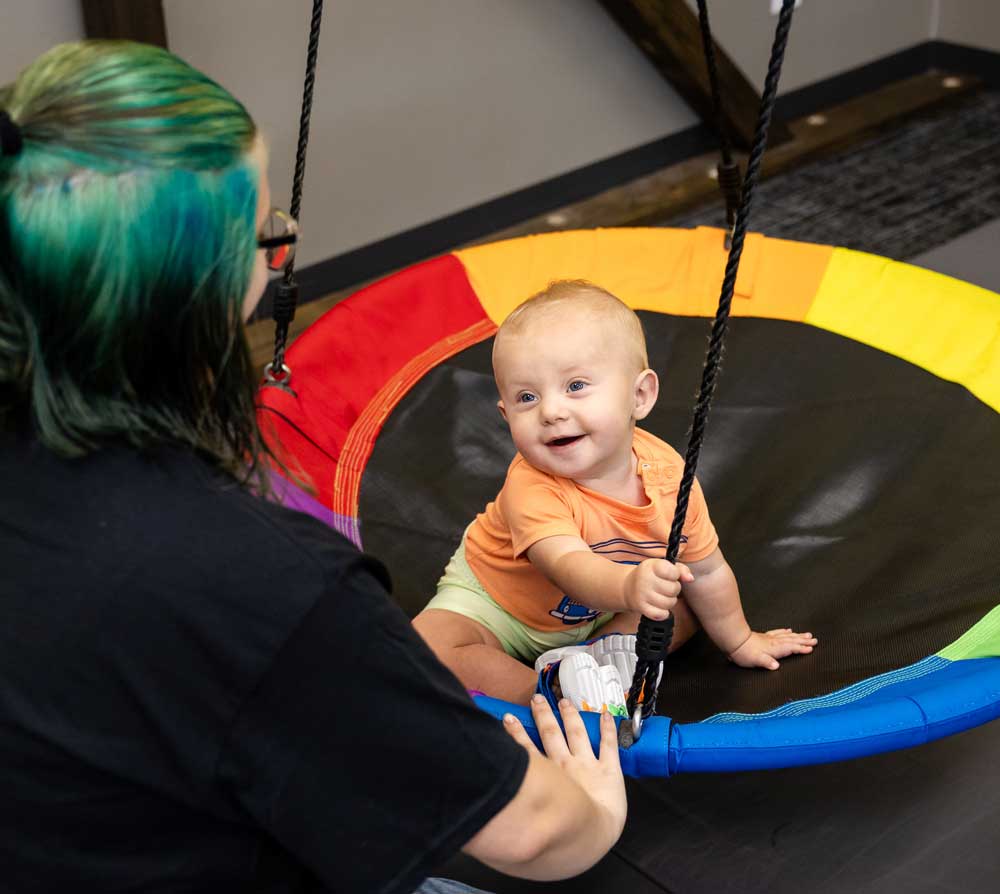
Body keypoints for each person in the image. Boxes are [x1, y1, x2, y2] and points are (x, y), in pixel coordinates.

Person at [0, 41, 628, 893]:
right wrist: (591, 798)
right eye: (270, 236)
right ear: (199, 289)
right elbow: (536, 835)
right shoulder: (262, 584)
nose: (276, 253)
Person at [414, 281, 817, 711]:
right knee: (427, 648)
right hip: (496, 605)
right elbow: (568, 566)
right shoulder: (530, 484)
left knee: (689, 605)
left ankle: (599, 657)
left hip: (604, 614)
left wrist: (740, 640)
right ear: (505, 415)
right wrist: (629, 587)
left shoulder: (669, 479)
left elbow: (709, 570)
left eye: (576, 386)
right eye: (527, 398)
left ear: (639, 396)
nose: (551, 411)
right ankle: (549, 691)